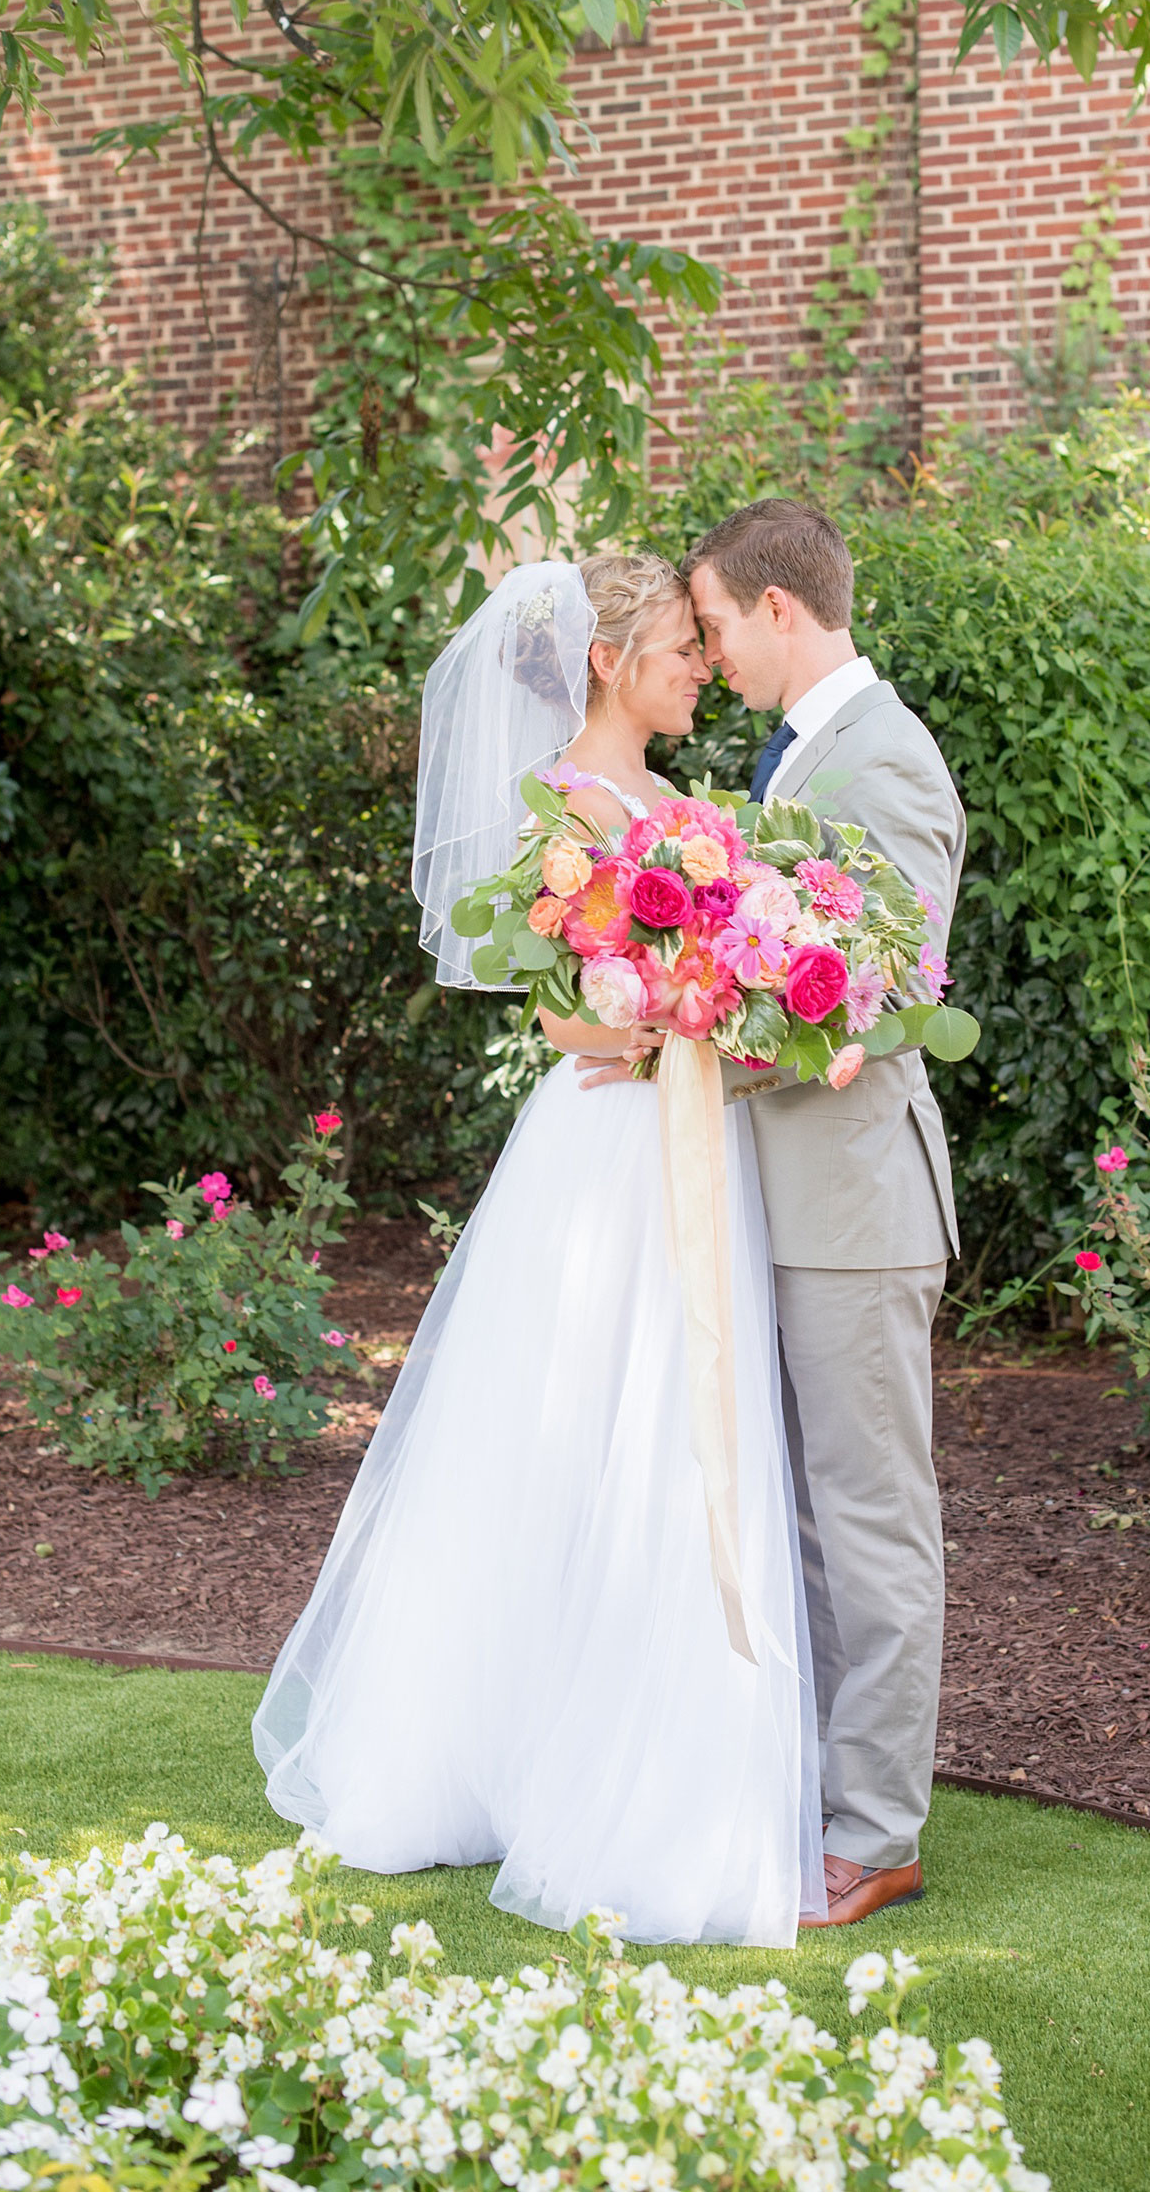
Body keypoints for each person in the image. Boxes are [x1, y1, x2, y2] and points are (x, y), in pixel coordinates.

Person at [252, 552, 825, 1946]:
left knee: (680, 1437)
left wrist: (732, 1004)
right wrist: (667, 1016)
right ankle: (508, 1754)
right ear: (612, 659)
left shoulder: (693, 808)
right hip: (605, 1152)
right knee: (574, 1439)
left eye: (703, 646)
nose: (700, 665)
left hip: (693, 1139)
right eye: (681, 648)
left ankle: (647, 1748)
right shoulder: (565, 805)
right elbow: (562, 1013)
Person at [586, 499, 965, 1928]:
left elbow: (888, 991)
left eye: (721, 621)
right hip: (782, 1198)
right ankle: (819, 1787)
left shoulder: (887, 762)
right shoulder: (800, 752)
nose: (714, 648)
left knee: (871, 1522)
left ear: (782, 612)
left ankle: (875, 1833)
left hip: (856, 1207)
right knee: (803, 1521)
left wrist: (685, 1032)